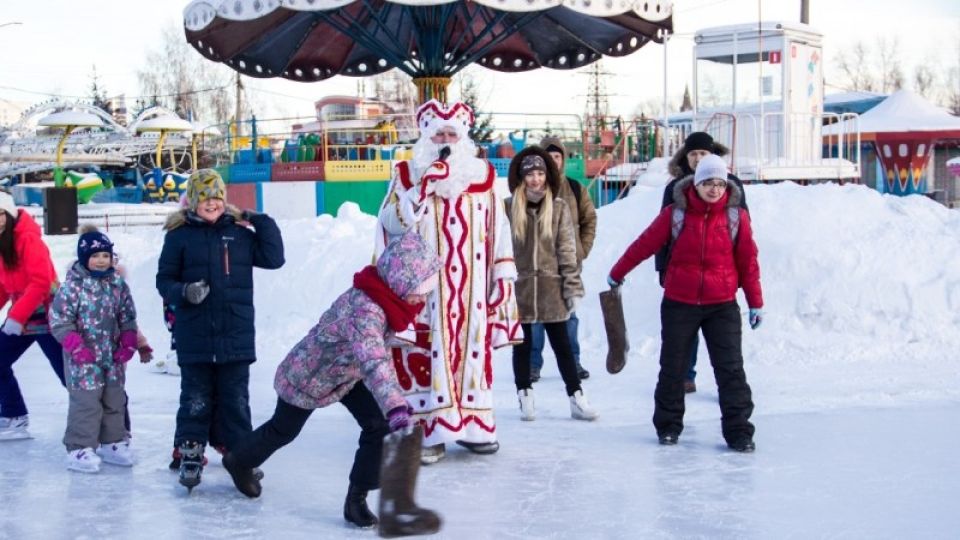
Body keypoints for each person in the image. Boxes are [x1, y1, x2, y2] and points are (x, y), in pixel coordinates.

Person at [222, 231, 442, 537]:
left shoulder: (384, 296)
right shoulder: (366, 311)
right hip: (308, 374)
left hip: (346, 373)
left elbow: (374, 359)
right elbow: (375, 360)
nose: (423, 298)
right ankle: (237, 460)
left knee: (377, 425)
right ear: (400, 281)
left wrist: (391, 404)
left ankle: (356, 499)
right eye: (420, 290)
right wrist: (395, 404)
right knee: (283, 430)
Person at [376, 99, 521, 464]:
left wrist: (502, 277)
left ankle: (474, 427)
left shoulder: (484, 177)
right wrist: (422, 188)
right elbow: (390, 224)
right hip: (422, 291)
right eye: (437, 132)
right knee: (423, 355)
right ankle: (428, 434)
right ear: (425, 135)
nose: (445, 139)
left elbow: (499, 230)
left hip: (471, 289)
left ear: (464, 137)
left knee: (472, 353)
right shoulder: (407, 174)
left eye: (451, 133)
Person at [608, 154, 763, 452]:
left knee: (730, 370)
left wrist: (755, 302)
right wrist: (618, 271)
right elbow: (645, 243)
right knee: (673, 368)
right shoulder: (675, 214)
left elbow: (748, 262)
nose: (714, 189)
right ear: (697, 183)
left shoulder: (736, 217)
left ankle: (739, 431)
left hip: (722, 305)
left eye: (720, 183)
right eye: (708, 183)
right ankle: (668, 426)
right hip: (680, 302)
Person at [156, 169, 285, 490]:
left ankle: (242, 455)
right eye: (205, 198)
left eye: (217, 198)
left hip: (235, 335)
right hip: (195, 335)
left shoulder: (240, 234)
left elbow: (274, 257)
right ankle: (190, 452)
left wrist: (259, 219)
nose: (211, 204)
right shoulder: (179, 235)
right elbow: (164, 280)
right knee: (195, 399)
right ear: (194, 202)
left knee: (236, 401)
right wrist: (184, 291)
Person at [506, 148, 598, 422]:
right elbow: (496, 249)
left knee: (563, 346)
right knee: (521, 345)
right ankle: (525, 396)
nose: (535, 179)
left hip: (551, 288)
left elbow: (567, 249)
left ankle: (577, 397)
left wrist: (571, 286)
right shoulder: (508, 207)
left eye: (539, 173)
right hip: (519, 288)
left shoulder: (558, 208)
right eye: (530, 174)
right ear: (521, 178)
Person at [658, 132, 749, 394]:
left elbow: (742, 230)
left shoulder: (731, 185)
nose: (698, 159)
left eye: (703, 154)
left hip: (720, 276)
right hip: (683, 273)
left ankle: (728, 385)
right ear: (686, 157)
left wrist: (741, 276)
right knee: (684, 334)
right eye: (693, 154)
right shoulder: (674, 187)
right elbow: (660, 233)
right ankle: (687, 374)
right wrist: (662, 267)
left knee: (725, 342)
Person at [49, 228, 139, 472]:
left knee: (114, 399)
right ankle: (79, 447)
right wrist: (75, 346)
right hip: (83, 359)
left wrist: (130, 339)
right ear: (83, 258)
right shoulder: (72, 288)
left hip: (112, 356)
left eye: (105, 255)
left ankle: (112, 443)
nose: (101, 260)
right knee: (86, 402)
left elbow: (127, 316)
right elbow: (59, 320)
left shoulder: (118, 285)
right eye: (95, 256)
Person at [529, 136, 597, 382]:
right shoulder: (529, 189)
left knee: (569, 315)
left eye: (557, 156)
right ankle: (532, 365)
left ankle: (573, 362)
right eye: (548, 157)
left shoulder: (576, 188)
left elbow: (589, 220)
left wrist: (582, 250)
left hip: (567, 264)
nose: (552, 161)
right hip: (536, 264)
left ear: (562, 160)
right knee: (535, 316)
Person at [0, 191, 65, 440]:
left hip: (49, 314)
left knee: (67, 373)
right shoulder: (1, 242)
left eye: (0, 214)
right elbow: (5, 286)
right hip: (23, 313)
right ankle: (14, 415)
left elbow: (41, 282)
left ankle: (99, 421)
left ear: (9, 213)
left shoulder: (28, 239)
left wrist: (15, 318)